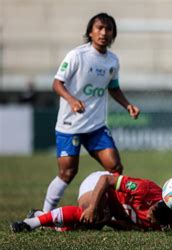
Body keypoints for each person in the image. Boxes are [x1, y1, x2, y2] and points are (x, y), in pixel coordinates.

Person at [43, 13, 140, 213]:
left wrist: (127, 105)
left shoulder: (112, 61)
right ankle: (46, 212)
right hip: (70, 126)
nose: (104, 33)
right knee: (68, 172)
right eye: (99, 28)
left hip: (95, 126)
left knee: (115, 168)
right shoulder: (77, 56)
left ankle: (110, 209)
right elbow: (56, 83)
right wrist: (71, 100)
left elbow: (113, 87)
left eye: (108, 29)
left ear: (113, 34)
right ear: (90, 32)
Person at [11, 171, 172, 232]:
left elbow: (129, 225)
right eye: (151, 216)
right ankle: (30, 223)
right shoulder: (145, 189)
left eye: (154, 222)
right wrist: (92, 207)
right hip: (98, 184)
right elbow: (105, 180)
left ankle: (41, 216)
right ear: (153, 205)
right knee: (89, 212)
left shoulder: (163, 223)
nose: (150, 221)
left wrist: (110, 222)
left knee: (87, 225)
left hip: (111, 210)